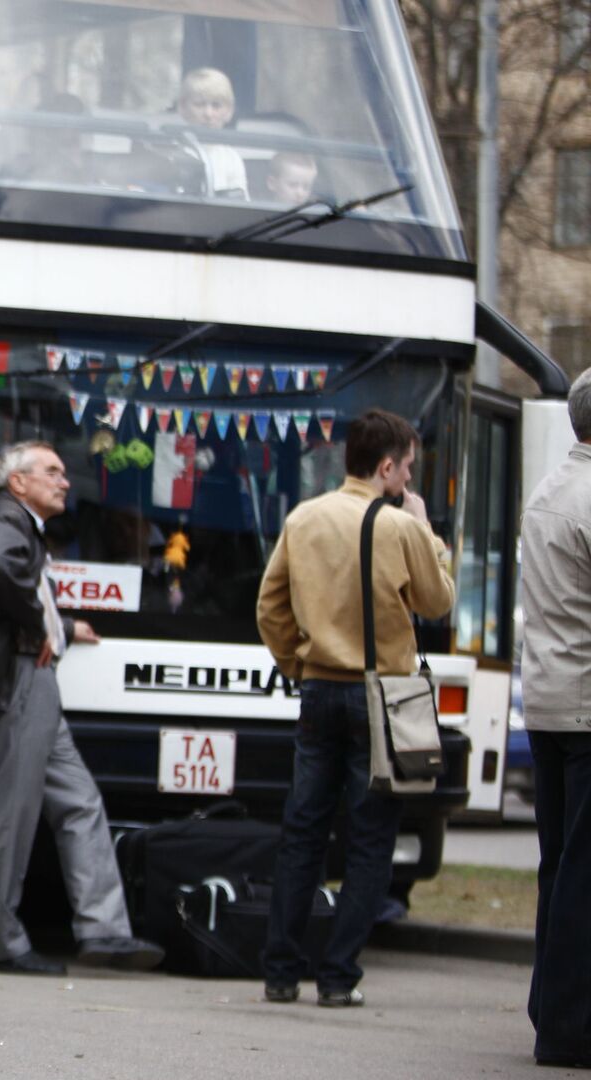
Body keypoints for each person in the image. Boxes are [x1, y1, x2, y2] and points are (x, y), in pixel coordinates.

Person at [0, 441, 164, 976]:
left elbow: (17, 584)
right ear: (18, 482)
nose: (65, 482)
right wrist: (38, 623)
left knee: (81, 803)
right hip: (15, 680)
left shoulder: (17, 523)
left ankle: (105, 932)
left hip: (29, 679)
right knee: (12, 817)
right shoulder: (5, 522)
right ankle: (1, 944)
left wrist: (60, 625)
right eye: (53, 472)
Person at [256, 408, 454, 1007]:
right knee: (370, 840)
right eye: (408, 469)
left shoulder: (304, 517)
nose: (410, 482)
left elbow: (270, 608)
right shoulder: (399, 527)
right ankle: (338, 977)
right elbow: (437, 601)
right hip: (381, 698)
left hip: (317, 688)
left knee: (303, 832)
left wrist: (299, 663)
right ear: (387, 466)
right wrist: (430, 535)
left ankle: (281, 972)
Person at [519, 369, 591, 1068]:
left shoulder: (549, 488)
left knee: (558, 865)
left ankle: (550, 1004)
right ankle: (567, 1025)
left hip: (547, 698)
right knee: (581, 870)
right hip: (585, 703)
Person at [176, 67, 248, 199]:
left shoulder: (231, 158)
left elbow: (241, 204)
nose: (208, 114)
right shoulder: (173, 152)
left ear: (229, 111)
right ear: (182, 107)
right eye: (199, 104)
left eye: (216, 105)